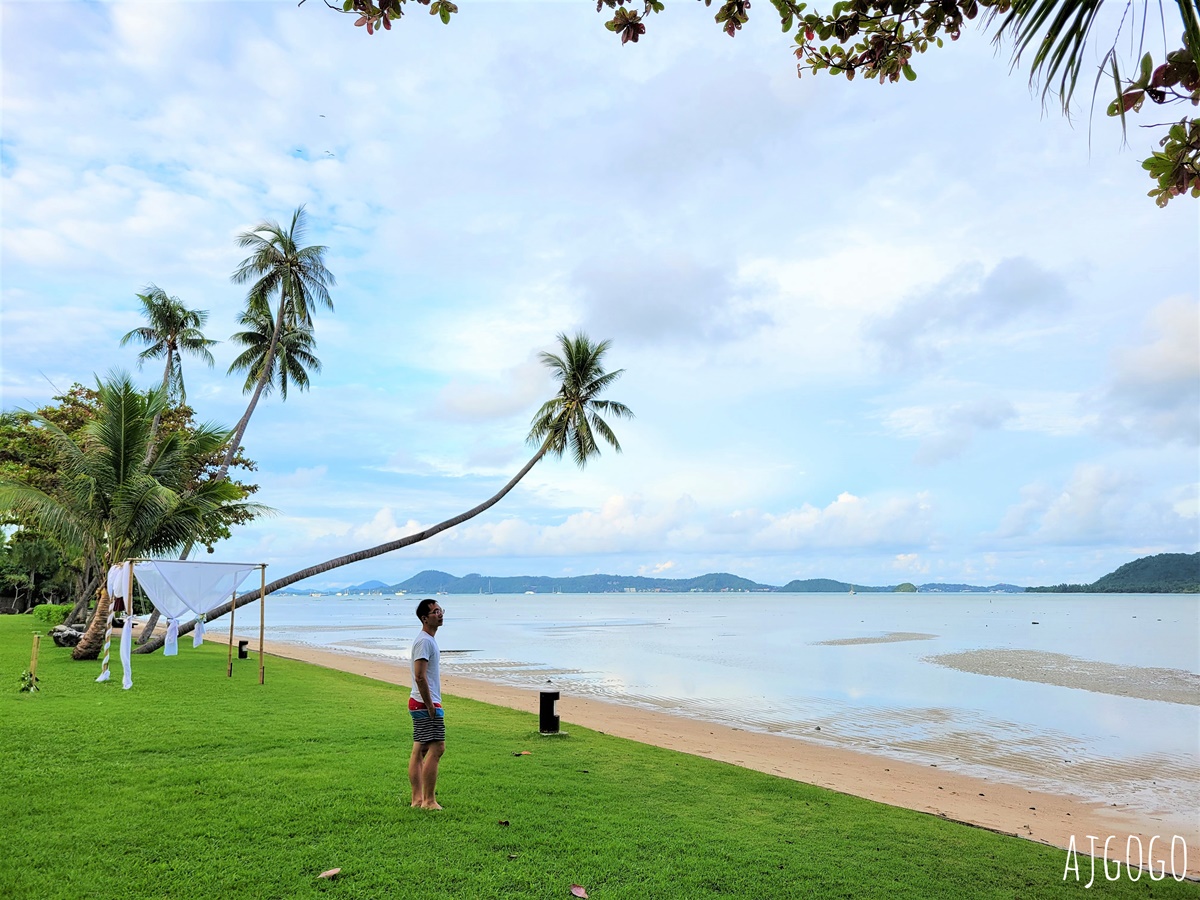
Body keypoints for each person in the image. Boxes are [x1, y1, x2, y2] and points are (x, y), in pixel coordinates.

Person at [408, 598, 445, 809]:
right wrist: (431, 705)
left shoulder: (428, 640)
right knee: (437, 748)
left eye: (440, 610)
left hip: (420, 702)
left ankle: (417, 799)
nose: (439, 614)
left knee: (420, 749)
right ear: (424, 618)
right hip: (424, 703)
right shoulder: (424, 641)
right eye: (435, 612)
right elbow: (420, 676)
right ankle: (428, 801)